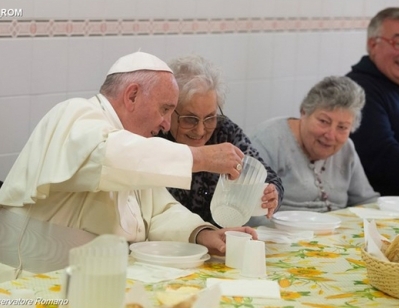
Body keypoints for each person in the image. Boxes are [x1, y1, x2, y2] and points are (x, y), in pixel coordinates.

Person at [0, 51, 256, 273]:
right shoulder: (75, 113)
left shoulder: (136, 148)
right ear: (132, 96)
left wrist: (203, 234)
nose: (167, 123)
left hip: (101, 278)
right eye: (165, 109)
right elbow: (104, 157)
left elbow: (159, 211)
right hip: (36, 279)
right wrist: (199, 157)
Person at [157, 54, 284, 227]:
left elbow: (264, 173)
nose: (201, 130)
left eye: (210, 118)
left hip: (220, 241)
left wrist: (272, 192)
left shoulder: (224, 131)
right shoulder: (155, 135)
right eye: (189, 119)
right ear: (169, 109)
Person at [250, 76, 379, 212]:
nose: (330, 135)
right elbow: (250, 214)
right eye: (324, 121)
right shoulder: (268, 140)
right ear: (304, 112)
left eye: (342, 127)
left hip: (336, 231)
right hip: (282, 231)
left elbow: (366, 202)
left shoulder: (346, 148)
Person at [346, 7, 399, 196]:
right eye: (398, 42)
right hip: (379, 205)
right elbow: (384, 160)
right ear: (373, 44)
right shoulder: (359, 90)